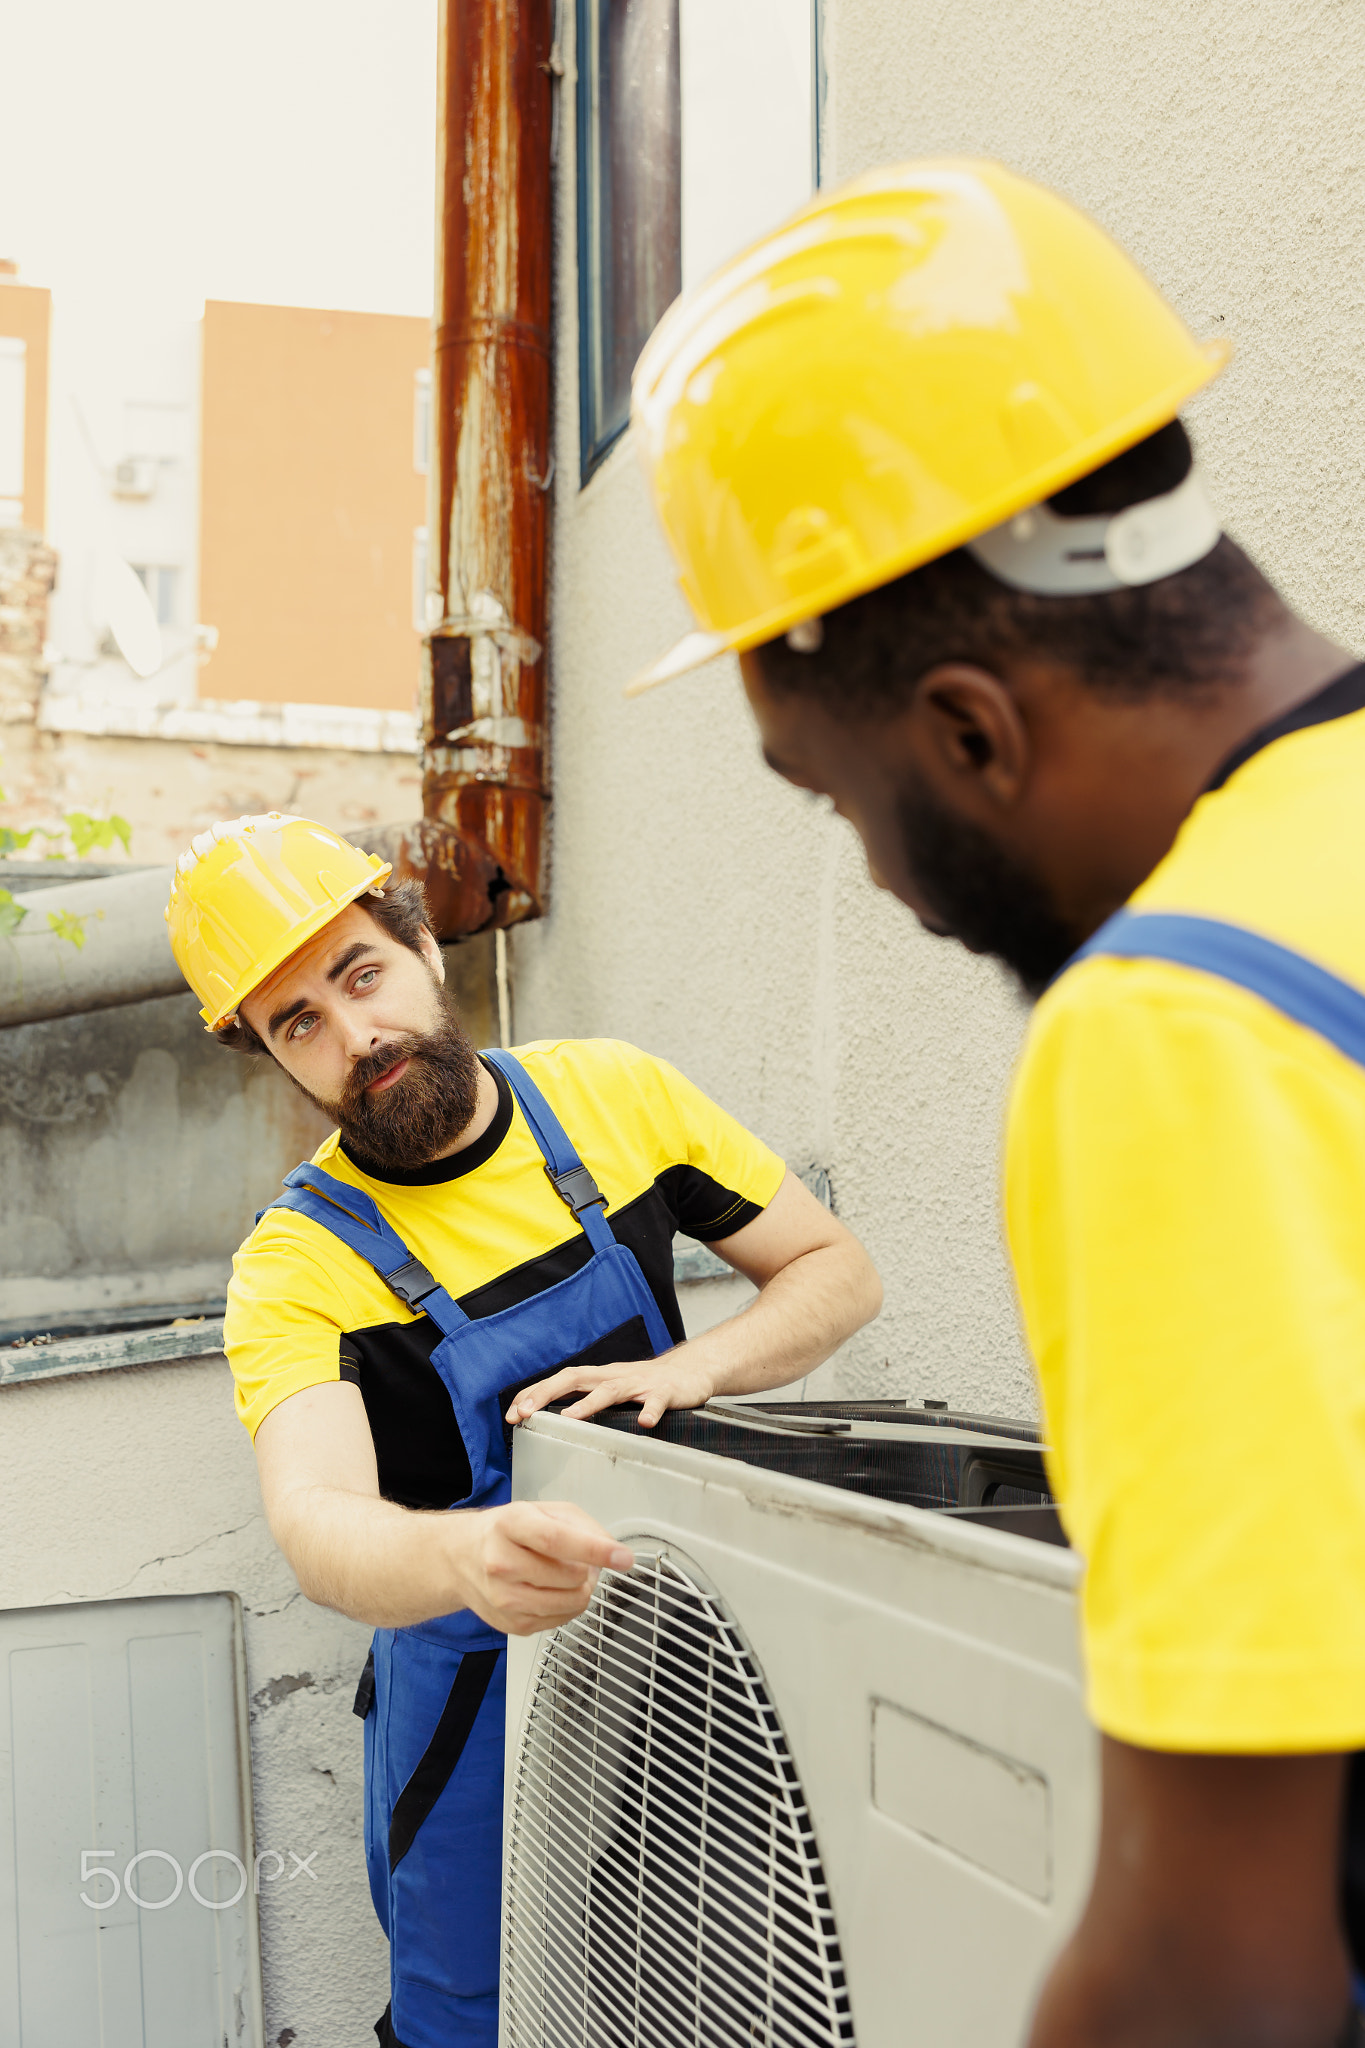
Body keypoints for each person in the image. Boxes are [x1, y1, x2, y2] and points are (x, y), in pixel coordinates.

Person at [628, 159, 1365, 2044]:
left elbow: (1220, 1965)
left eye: (834, 797)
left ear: (967, 727)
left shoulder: (1187, 1023)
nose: (880, 873)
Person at [164, 811, 881, 2048]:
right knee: (475, 2017)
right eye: (300, 1025)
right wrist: (468, 1557)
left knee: (706, 1986)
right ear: (276, 1059)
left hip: (682, 1650)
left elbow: (834, 1269)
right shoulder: (294, 1270)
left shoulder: (616, 1094)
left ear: (420, 941)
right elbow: (317, 1521)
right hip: (472, 1714)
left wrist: (689, 1368)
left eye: (359, 974)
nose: (356, 1036)